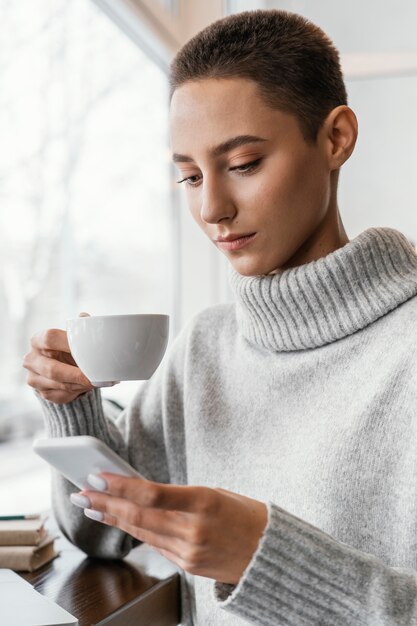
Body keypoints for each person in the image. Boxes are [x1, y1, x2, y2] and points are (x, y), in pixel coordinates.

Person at [22, 9, 417, 626]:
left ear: (336, 138)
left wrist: (268, 557)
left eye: (243, 164)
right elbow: (104, 534)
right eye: (189, 175)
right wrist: (73, 405)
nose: (211, 207)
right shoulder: (204, 346)